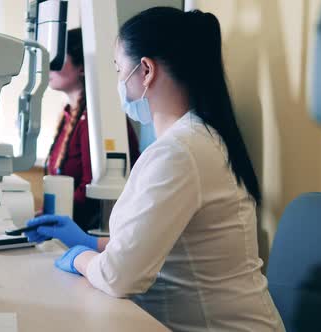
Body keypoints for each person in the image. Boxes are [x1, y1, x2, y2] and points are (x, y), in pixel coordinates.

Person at [27, 8, 284, 332]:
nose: (119, 82)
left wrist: (78, 257)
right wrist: (91, 244)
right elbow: (148, 244)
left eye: (120, 69)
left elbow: (119, 276)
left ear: (146, 70)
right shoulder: (193, 140)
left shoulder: (180, 152)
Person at [45, 28, 140, 232]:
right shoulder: (69, 116)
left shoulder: (97, 121)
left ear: (81, 67)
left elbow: (91, 186)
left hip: (88, 231)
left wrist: (53, 216)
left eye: (57, 61)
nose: (49, 68)